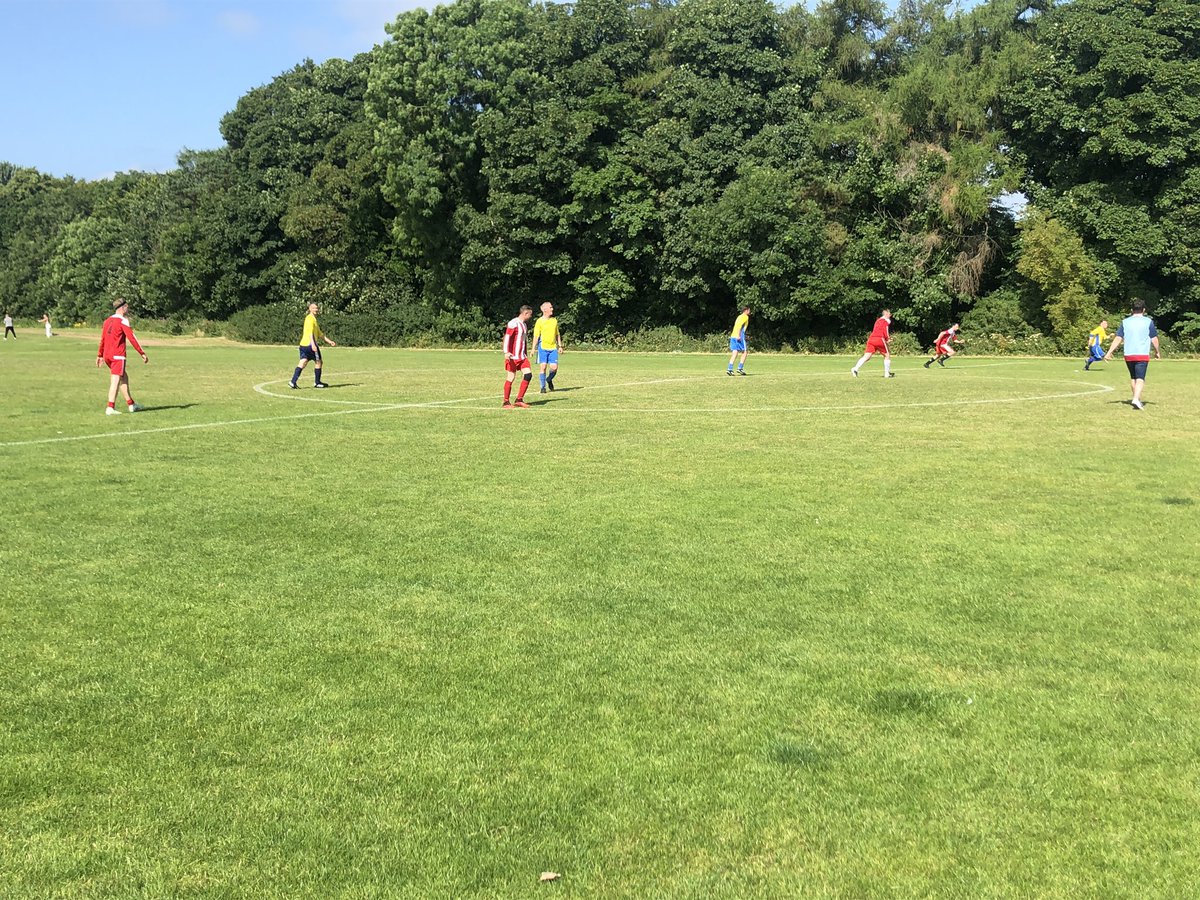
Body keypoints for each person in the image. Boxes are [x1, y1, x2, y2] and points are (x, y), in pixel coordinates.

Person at [1104, 301, 1161, 410]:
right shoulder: (1148, 321)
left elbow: (1118, 338)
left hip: (1128, 354)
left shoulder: (1125, 322)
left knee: (1133, 377)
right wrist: (1157, 351)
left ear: (1131, 310)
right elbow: (1154, 338)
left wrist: (1109, 352)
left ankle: (1136, 398)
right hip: (1142, 354)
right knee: (1140, 378)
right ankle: (1135, 399)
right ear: (1144, 310)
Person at [96, 298, 148, 415]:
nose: (128, 308)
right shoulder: (123, 321)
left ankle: (131, 404)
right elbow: (132, 338)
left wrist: (100, 355)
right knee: (115, 380)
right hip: (117, 356)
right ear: (122, 307)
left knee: (124, 377)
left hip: (108, 355)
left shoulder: (107, 321)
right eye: (127, 306)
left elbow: (102, 339)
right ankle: (110, 407)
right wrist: (142, 353)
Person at [289, 302, 336, 389]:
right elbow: (310, 333)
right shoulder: (309, 319)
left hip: (303, 345)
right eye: (314, 308)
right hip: (310, 345)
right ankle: (317, 382)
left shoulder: (314, 320)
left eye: (317, 308)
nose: (316, 310)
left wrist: (330, 341)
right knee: (319, 362)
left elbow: (320, 334)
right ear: (310, 309)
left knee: (303, 362)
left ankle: (293, 382)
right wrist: (313, 344)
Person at [502, 305, 534, 409]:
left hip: (522, 357)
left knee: (528, 375)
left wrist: (525, 352)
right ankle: (506, 402)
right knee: (511, 377)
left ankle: (519, 399)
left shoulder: (524, 325)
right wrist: (506, 352)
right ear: (525, 313)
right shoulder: (513, 323)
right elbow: (507, 337)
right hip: (512, 357)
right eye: (530, 314)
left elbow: (523, 341)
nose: (530, 316)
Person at [851, 309, 895, 378]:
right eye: (889, 314)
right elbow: (885, 331)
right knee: (887, 355)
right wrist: (888, 339)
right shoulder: (885, 321)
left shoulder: (878, 321)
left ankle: (855, 369)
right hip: (879, 338)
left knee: (866, 357)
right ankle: (887, 374)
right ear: (886, 314)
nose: (890, 315)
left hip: (871, 339)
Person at [532, 301, 564, 393]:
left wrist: (560, 346)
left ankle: (549, 379)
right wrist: (533, 348)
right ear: (544, 310)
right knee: (543, 367)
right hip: (543, 347)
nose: (552, 309)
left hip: (553, 347)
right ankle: (543, 387)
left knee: (554, 368)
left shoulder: (554, 320)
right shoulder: (539, 321)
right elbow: (536, 336)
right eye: (550, 307)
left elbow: (557, 334)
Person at [727, 306, 750, 375]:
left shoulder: (739, 316)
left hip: (733, 336)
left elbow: (736, 325)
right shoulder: (745, 317)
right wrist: (739, 335)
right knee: (745, 352)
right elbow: (740, 326)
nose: (749, 312)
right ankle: (740, 368)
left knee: (735, 352)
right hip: (739, 336)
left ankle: (729, 369)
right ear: (746, 310)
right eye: (749, 310)